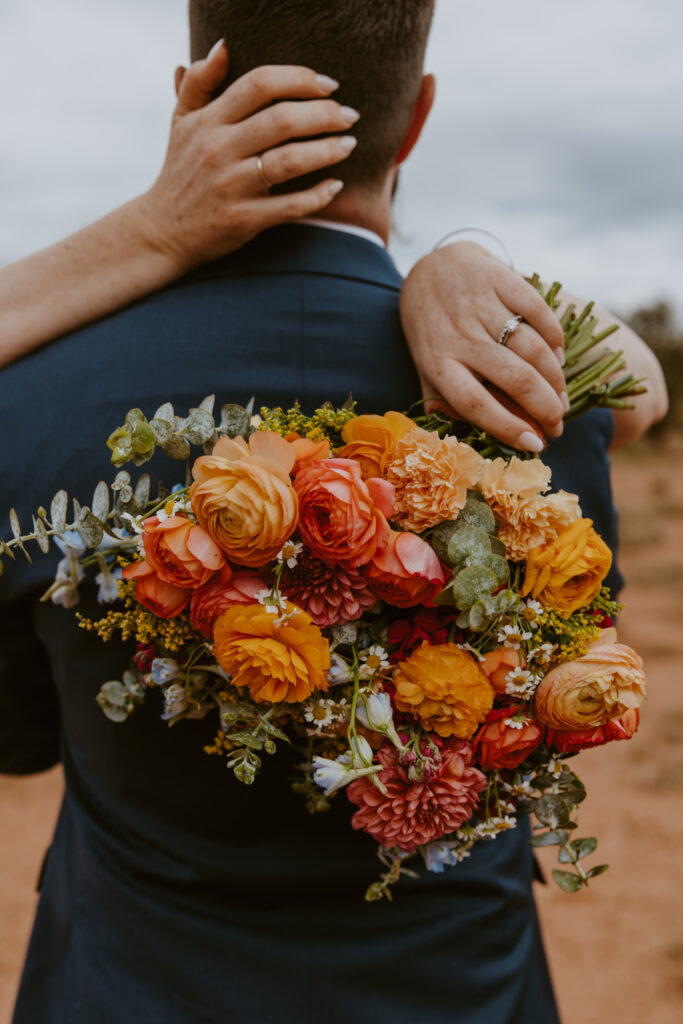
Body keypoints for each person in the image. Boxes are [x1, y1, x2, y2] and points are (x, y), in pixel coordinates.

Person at [0, 3, 667, 1023]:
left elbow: (19, 735)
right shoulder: (534, 404)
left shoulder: (30, 406)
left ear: (192, 98)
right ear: (418, 119)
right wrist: (461, 251)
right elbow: (636, 392)